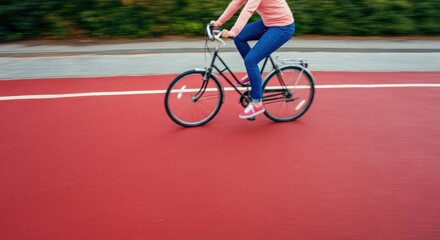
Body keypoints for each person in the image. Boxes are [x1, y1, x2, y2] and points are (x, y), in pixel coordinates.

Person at [211, 0, 295, 119]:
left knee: (250, 61)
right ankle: (253, 75)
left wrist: (233, 31)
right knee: (239, 38)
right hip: (269, 22)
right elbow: (236, 3)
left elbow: (248, 10)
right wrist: (219, 22)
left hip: (283, 27)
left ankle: (257, 103)